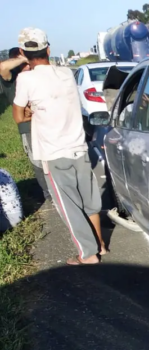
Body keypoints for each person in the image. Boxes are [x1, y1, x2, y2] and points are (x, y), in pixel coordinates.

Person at [12, 28, 106, 265]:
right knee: (89, 200)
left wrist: (31, 111)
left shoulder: (25, 78)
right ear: (49, 49)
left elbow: (18, 116)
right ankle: (100, 245)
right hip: (79, 148)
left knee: (68, 206)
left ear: (23, 53)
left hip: (54, 153)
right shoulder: (66, 73)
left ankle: (88, 254)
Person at [0, 47, 50, 201]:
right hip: (28, 128)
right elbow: (2, 68)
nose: (29, 66)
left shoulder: (37, 77)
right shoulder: (11, 80)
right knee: (38, 163)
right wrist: (24, 58)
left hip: (48, 125)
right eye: (24, 64)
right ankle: (49, 195)